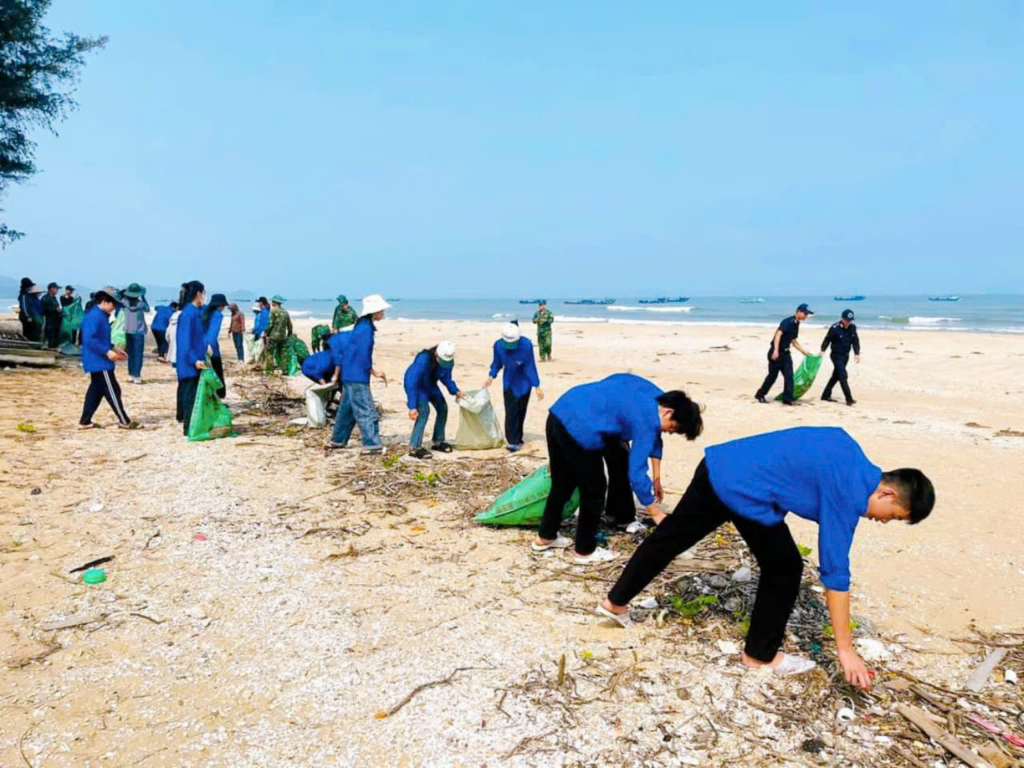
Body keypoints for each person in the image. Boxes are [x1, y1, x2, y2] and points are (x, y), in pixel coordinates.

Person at [599, 426, 935, 689]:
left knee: (669, 539)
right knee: (785, 566)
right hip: (742, 489)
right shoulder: (848, 493)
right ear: (887, 493)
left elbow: (791, 460)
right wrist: (845, 650)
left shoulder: (849, 450)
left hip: (719, 465)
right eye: (891, 515)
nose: (882, 521)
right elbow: (835, 574)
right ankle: (759, 656)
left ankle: (615, 601)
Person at [533, 375, 704, 564]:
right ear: (668, 413)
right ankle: (584, 551)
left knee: (563, 482)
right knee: (595, 489)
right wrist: (656, 513)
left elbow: (618, 379)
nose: (669, 432)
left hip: (560, 411)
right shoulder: (647, 421)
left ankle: (545, 537)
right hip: (581, 429)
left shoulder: (655, 395)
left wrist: (656, 478)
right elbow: (636, 474)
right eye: (673, 427)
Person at [331, 294, 391, 453]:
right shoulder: (365, 329)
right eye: (381, 310)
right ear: (374, 311)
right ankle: (372, 444)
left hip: (350, 373)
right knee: (367, 410)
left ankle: (338, 440)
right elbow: (363, 354)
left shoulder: (362, 325)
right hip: (357, 375)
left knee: (347, 410)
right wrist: (374, 371)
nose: (383, 313)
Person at [79, 287, 137, 429]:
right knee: (113, 391)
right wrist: (107, 351)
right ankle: (124, 421)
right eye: (113, 304)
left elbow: (101, 338)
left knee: (96, 392)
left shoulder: (100, 315)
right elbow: (90, 339)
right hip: (99, 361)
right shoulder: (95, 316)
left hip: (99, 360)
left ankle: (85, 421)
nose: (114, 308)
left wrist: (114, 348)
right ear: (105, 301)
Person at [483, 322, 543, 452]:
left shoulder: (526, 345)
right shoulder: (498, 345)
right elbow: (497, 363)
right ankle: (512, 441)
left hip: (524, 382)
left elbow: (530, 366)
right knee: (511, 412)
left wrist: (536, 385)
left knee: (521, 411)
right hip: (509, 381)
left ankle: (518, 437)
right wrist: (491, 376)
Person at [403, 341, 464, 459]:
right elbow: (412, 382)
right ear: (436, 355)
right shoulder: (423, 359)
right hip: (418, 386)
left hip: (430, 385)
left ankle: (438, 441)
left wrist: (456, 391)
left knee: (443, 408)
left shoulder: (448, 361)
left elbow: (446, 378)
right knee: (424, 412)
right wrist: (412, 406)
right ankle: (414, 447)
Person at [755, 303, 814, 405]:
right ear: (799, 311)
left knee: (789, 377)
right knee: (772, 377)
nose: (806, 316)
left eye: (807, 314)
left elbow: (793, 340)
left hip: (786, 354)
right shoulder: (788, 322)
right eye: (805, 313)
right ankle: (760, 395)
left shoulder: (796, 324)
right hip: (776, 353)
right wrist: (776, 350)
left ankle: (787, 399)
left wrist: (803, 351)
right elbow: (778, 334)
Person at [175, 281, 207, 436]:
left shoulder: (195, 312)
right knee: (189, 396)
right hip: (189, 363)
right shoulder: (188, 313)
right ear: (198, 294)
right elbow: (184, 341)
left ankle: (192, 425)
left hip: (194, 360)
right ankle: (188, 428)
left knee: (193, 395)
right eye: (204, 293)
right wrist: (194, 360)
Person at [821, 309, 861, 406]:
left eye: (850, 320)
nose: (848, 322)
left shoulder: (852, 328)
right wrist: (822, 350)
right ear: (842, 319)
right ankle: (849, 399)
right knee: (843, 376)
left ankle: (825, 395)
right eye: (847, 320)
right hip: (836, 355)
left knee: (836, 376)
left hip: (845, 356)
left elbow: (855, 341)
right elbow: (827, 339)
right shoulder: (835, 328)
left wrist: (857, 353)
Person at [122, 284, 150, 384]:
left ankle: (130, 374)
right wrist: (143, 297)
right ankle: (137, 375)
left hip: (128, 330)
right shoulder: (141, 304)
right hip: (138, 331)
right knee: (138, 354)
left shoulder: (124, 303)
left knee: (131, 354)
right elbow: (148, 309)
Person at [203, 293, 229, 398]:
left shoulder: (204, 312)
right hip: (211, 347)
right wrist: (210, 345)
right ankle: (220, 395)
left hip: (199, 346)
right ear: (221, 305)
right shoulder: (217, 314)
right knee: (217, 371)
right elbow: (213, 332)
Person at [263, 295, 293, 373]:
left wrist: (266, 333)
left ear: (274, 302)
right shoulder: (285, 312)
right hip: (282, 336)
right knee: (282, 353)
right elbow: (289, 325)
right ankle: (285, 370)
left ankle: (269, 371)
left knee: (269, 352)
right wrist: (289, 334)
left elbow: (270, 324)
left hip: (273, 336)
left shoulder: (273, 311)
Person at [41, 282, 63, 349]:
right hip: (49, 320)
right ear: (51, 289)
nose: (57, 291)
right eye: (56, 289)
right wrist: (54, 310)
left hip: (56, 321)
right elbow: (43, 310)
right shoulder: (45, 298)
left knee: (56, 336)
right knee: (49, 335)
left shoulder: (54, 298)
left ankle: (54, 347)